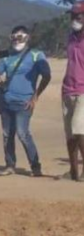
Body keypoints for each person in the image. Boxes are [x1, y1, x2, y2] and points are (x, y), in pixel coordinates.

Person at [0, 25, 51, 177]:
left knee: (23, 134)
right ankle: (9, 165)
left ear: (27, 38)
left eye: (19, 37)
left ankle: (35, 167)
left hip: (24, 102)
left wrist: (35, 96)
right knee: (7, 135)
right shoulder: (6, 57)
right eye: (13, 37)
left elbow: (46, 75)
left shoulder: (36, 55)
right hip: (6, 101)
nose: (16, 40)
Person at [62, 1, 84, 181]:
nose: (74, 19)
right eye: (72, 16)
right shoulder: (71, 37)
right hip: (67, 89)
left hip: (83, 90)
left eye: (78, 16)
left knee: (79, 130)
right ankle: (73, 170)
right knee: (70, 134)